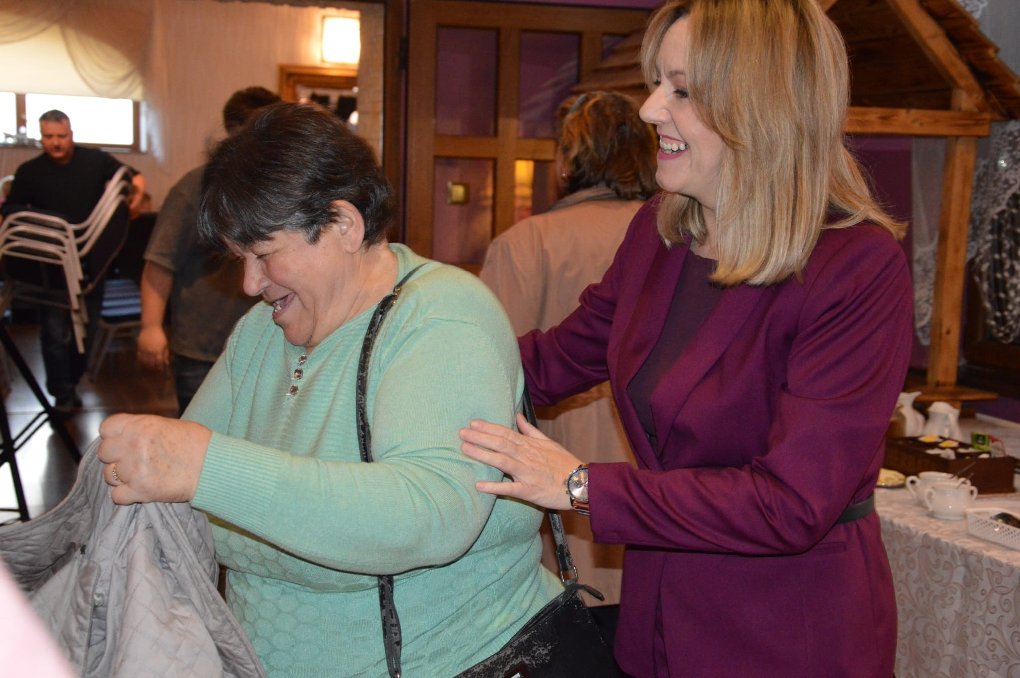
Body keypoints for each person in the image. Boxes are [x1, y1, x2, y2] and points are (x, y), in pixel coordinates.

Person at [459, 1, 913, 675]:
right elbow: (550, 362)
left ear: (762, 109)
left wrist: (583, 486)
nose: (649, 110)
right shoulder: (659, 233)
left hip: (785, 631)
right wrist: (399, 348)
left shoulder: (856, 267)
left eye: (682, 91)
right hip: (657, 613)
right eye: (656, 84)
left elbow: (793, 503)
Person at [96, 102, 561, 676]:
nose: (249, 284)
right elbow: (176, 485)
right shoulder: (260, 334)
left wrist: (206, 468)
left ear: (343, 225)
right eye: (241, 259)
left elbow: (432, 513)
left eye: (263, 255)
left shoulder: (442, 317)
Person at [479, 90, 656, 617]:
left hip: (560, 478)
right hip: (652, 483)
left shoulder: (525, 243)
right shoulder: (674, 236)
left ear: (566, 159)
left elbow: (493, 375)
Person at [138, 86, 280, 413]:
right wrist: (150, 327)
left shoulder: (280, 188)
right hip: (202, 348)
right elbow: (160, 262)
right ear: (232, 131)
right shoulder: (193, 188)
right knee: (197, 433)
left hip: (268, 343)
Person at [3, 110, 145, 412]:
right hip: (52, 266)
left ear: (71, 134)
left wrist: (137, 192)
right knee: (54, 331)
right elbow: (13, 209)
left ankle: (74, 380)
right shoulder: (29, 171)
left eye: (61, 136)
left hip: (91, 263)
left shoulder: (95, 161)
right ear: (41, 137)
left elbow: (130, 175)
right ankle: (62, 393)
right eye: (49, 137)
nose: (56, 142)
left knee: (88, 328)